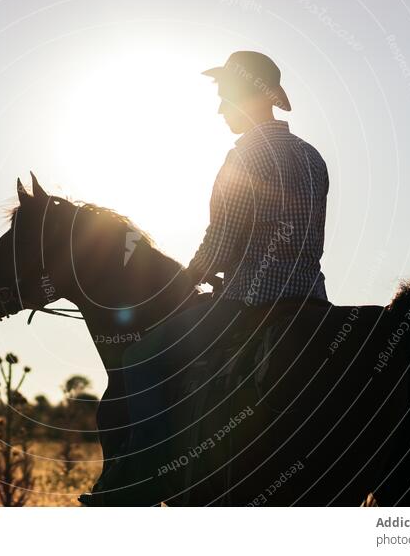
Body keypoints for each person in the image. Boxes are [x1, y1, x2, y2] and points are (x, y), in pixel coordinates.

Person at [80, 51, 330, 506]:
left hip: (247, 303)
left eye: (224, 97)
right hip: (312, 299)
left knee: (140, 358)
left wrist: (184, 282)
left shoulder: (242, 159)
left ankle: (146, 472)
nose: (220, 109)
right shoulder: (312, 158)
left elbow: (220, 244)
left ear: (247, 97)